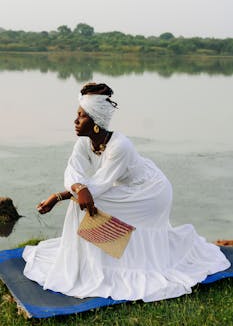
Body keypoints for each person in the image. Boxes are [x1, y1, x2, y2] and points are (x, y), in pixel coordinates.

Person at [23, 82, 230, 302]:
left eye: (81, 116)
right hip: (123, 187)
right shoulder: (84, 144)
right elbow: (73, 174)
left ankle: (101, 265)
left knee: (84, 205)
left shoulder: (120, 146)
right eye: (77, 114)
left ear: (95, 122)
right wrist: (69, 192)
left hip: (150, 192)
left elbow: (97, 187)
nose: (75, 121)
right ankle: (92, 262)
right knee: (83, 202)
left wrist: (62, 196)